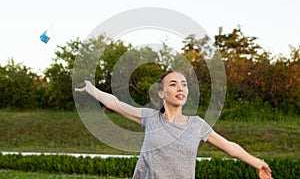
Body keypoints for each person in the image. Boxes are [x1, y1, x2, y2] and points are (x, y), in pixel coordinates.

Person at [75, 70, 273, 179]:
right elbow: (116, 104)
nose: (180, 88)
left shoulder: (197, 125)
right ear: (161, 93)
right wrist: (93, 90)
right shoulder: (150, 118)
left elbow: (229, 147)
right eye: (173, 84)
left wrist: (257, 163)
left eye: (184, 84)